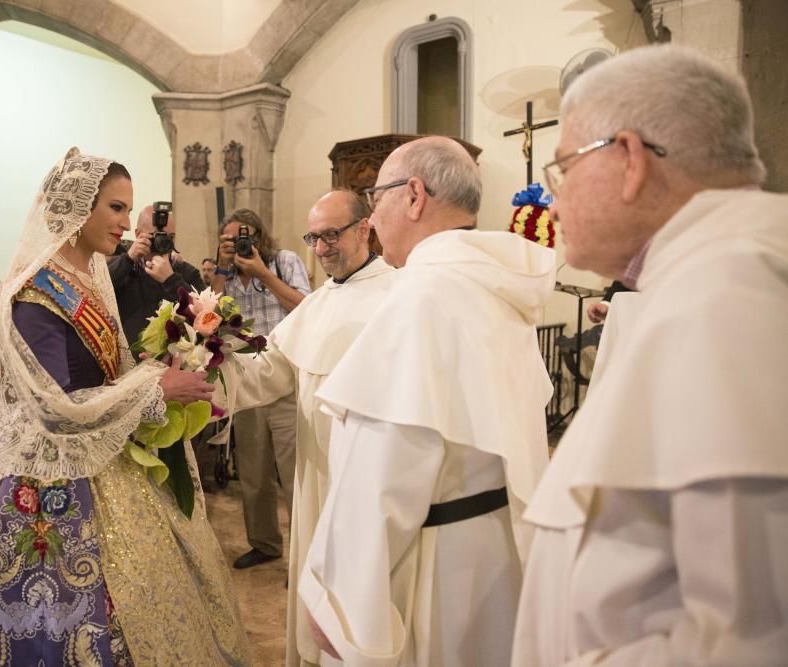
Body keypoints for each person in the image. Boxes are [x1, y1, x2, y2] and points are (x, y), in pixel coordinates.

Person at [0, 148, 250, 666]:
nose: (125, 223)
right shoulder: (36, 292)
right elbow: (53, 406)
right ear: (78, 208)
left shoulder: (89, 277)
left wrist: (161, 360)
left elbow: (106, 374)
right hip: (45, 474)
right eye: (116, 208)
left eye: (128, 210)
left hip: (104, 449)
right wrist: (154, 388)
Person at [512, 44, 788, 666]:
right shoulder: (710, 283)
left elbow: (751, 638)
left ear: (631, 160)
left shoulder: (728, 299)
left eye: (563, 169)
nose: (552, 204)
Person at [300, 137, 556, 666]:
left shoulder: (422, 297)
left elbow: (385, 471)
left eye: (377, 197)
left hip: (437, 568)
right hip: (497, 551)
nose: (372, 216)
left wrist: (340, 604)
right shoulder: (498, 287)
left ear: (414, 196)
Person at [232, 189, 397, 665]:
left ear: (364, 229)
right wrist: (209, 372)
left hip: (369, 481)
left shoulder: (399, 294)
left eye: (331, 234)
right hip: (317, 475)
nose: (321, 247)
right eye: (314, 237)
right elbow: (272, 371)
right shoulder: (319, 302)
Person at [212, 208, 311, 570]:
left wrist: (263, 274)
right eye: (232, 238)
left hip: (287, 380)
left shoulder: (283, 262)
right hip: (248, 382)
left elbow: (308, 308)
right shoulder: (226, 274)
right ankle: (265, 543)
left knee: (295, 475)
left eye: (246, 235)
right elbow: (206, 316)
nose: (241, 244)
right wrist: (223, 270)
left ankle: (305, 557)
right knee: (253, 475)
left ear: (260, 236)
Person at [108, 205, 204, 344]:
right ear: (138, 234)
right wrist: (128, 259)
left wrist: (171, 280)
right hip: (129, 358)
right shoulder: (123, 266)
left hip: (176, 358)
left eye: (170, 237)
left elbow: (204, 315)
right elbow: (98, 288)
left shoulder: (187, 272)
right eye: (156, 235)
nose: (163, 242)